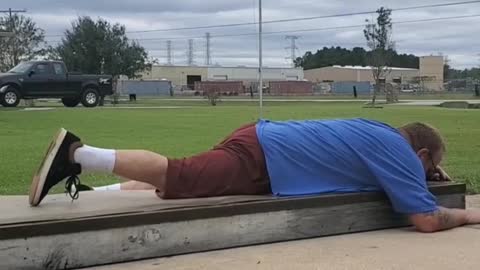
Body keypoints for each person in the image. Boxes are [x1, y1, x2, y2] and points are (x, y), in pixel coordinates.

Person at [29, 118, 480, 233]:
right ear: (420, 152)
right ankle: (79, 153)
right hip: (266, 157)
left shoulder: (382, 136)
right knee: (180, 175)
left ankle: (99, 187)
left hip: (268, 151)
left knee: (180, 187)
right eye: (429, 167)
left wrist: (425, 179)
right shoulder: (401, 155)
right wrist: (469, 216)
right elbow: (424, 221)